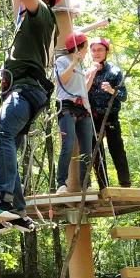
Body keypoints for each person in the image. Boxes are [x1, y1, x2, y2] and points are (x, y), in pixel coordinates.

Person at [0, 0, 62, 234]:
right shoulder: (30, 18)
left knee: (1, 133)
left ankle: (2, 200)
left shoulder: (42, 13)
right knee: (6, 146)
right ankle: (16, 209)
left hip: (26, 89)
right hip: (26, 91)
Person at [86, 37, 130, 188]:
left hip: (110, 116)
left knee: (116, 148)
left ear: (106, 52)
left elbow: (124, 96)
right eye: (94, 50)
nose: (96, 53)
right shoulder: (86, 72)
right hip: (93, 117)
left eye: (100, 50)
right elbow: (81, 94)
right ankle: (103, 185)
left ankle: (125, 183)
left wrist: (112, 90)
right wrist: (91, 74)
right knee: (96, 152)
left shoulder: (115, 72)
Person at [54, 31, 95, 193]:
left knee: (87, 148)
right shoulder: (62, 61)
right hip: (66, 107)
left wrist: (91, 75)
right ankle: (61, 184)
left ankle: (86, 184)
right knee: (68, 145)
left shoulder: (80, 65)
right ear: (79, 48)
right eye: (85, 47)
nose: (86, 51)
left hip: (82, 108)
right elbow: (61, 81)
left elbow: (82, 89)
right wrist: (73, 63)